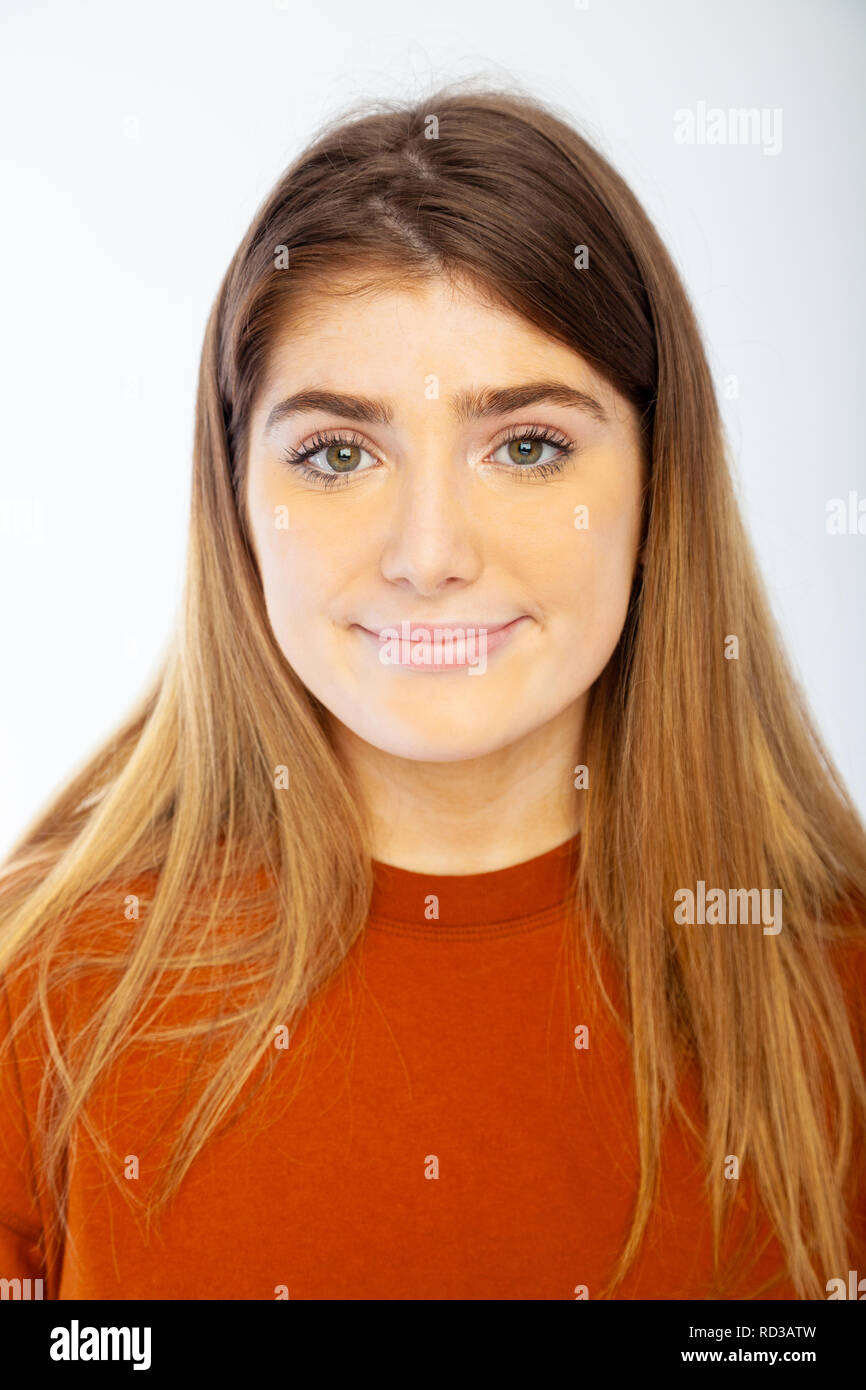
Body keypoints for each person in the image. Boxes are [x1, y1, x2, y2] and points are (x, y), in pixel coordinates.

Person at [1, 83, 865, 1301]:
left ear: (657, 487)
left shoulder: (837, 990)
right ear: (238, 503)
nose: (427, 551)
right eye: (337, 453)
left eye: (525, 446)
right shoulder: (40, 993)